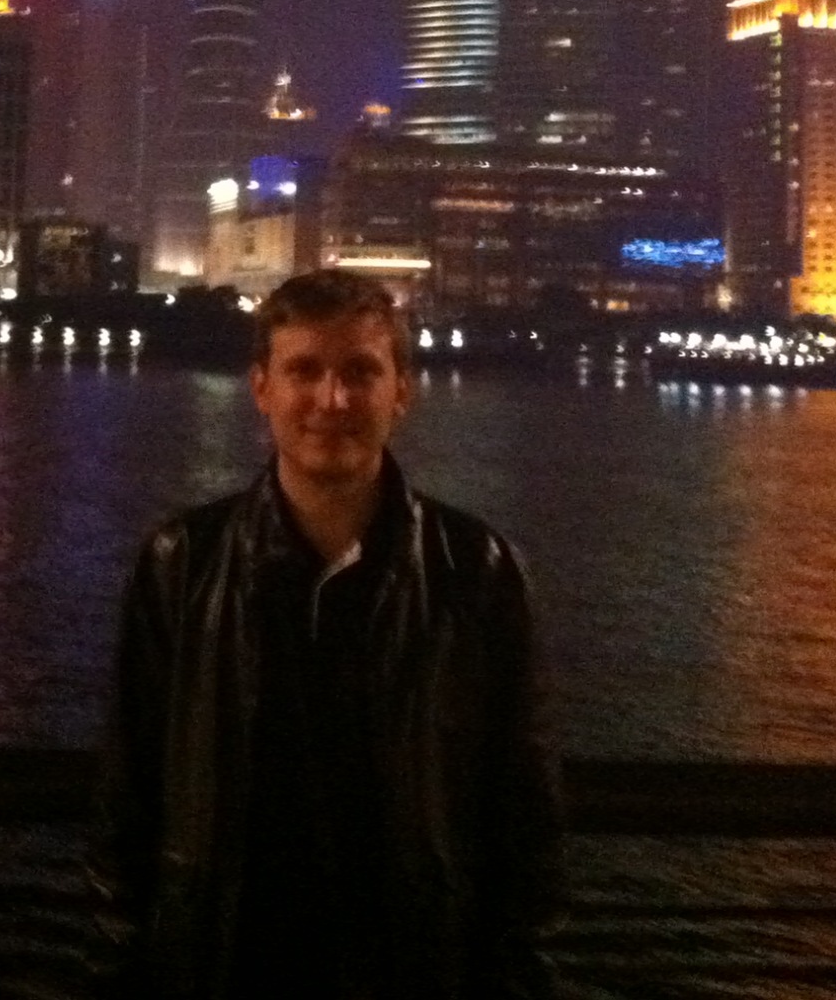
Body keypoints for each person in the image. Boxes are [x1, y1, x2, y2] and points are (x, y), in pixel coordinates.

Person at [93, 269, 564, 999]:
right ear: (261, 388)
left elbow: (524, 817)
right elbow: (129, 804)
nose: (332, 400)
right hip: (224, 962)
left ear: (401, 390)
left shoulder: (478, 571)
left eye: (360, 372)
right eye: (304, 371)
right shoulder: (181, 565)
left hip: (414, 966)